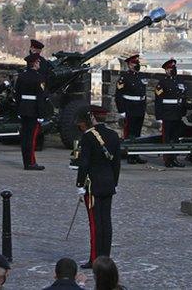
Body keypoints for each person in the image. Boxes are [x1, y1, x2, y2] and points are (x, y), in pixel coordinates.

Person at [75, 105, 121, 269]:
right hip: (108, 183)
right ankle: (105, 257)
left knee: (95, 224)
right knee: (106, 222)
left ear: (92, 118)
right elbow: (116, 164)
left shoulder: (88, 137)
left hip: (93, 185)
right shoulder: (114, 135)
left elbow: (84, 163)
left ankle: (95, 258)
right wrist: (113, 182)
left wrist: (80, 184)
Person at [17, 53, 47, 171]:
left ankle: (26, 162)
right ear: (34, 63)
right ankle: (31, 162)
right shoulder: (39, 78)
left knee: (25, 137)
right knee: (31, 138)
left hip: (24, 108)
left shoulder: (21, 76)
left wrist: (19, 109)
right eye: (38, 62)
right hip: (33, 110)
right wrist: (41, 114)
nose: (39, 64)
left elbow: (17, 94)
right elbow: (40, 97)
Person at [114, 54, 146, 164]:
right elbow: (118, 95)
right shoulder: (124, 77)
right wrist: (122, 111)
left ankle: (136, 154)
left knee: (137, 133)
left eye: (137, 63)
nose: (136, 65)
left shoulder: (141, 76)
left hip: (140, 107)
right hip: (129, 107)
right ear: (129, 65)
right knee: (130, 133)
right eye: (134, 63)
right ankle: (130, 155)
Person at [155, 58, 186, 168]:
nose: (172, 70)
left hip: (177, 113)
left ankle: (174, 158)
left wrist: (183, 111)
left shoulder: (179, 81)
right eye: (170, 68)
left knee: (175, 137)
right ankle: (167, 159)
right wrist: (159, 116)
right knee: (167, 137)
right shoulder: (162, 83)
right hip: (167, 113)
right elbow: (158, 100)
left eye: (174, 68)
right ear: (166, 70)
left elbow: (183, 97)